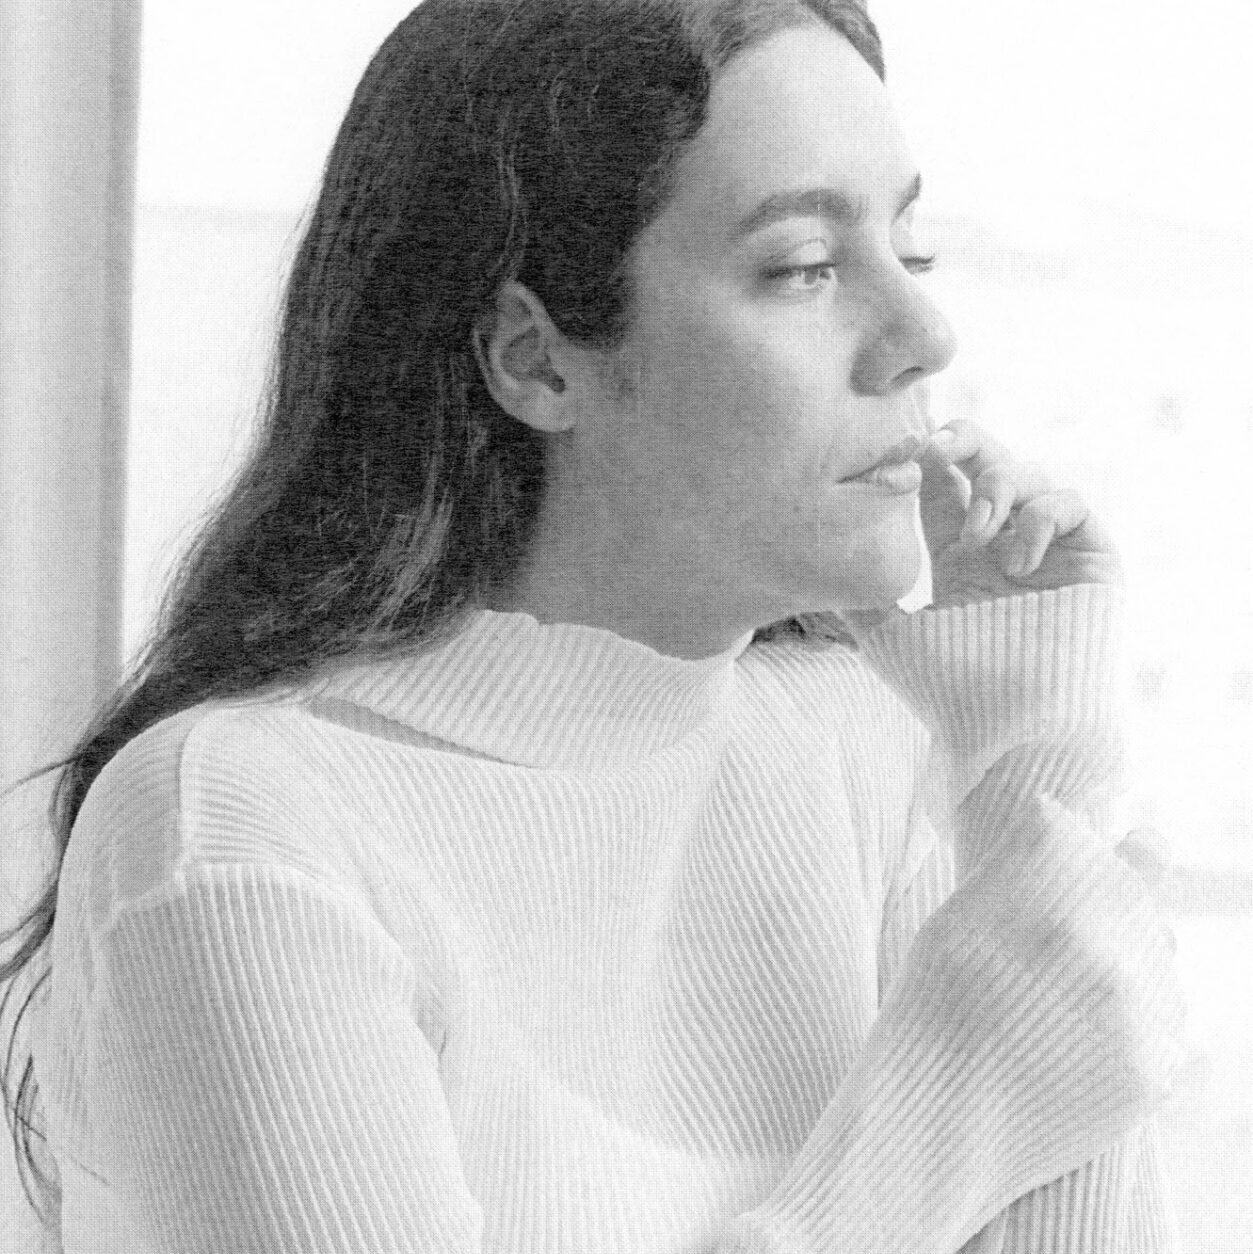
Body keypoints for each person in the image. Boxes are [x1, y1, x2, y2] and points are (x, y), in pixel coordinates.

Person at [0, 0, 1186, 1250]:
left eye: (909, 247)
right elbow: (963, 1121)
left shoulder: (875, 761)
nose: (922, 337)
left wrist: (1030, 764)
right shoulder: (236, 829)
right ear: (535, 359)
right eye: (803, 267)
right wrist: (943, 1109)